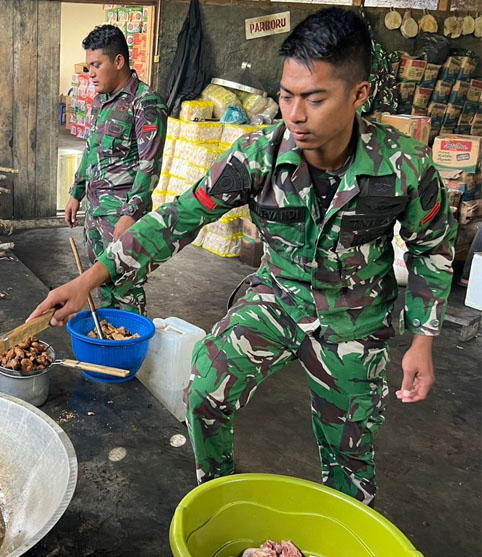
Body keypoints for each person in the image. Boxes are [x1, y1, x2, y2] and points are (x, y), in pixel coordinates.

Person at [32, 8, 456, 507]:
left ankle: (341, 526)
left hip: (355, 320)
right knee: (205, 389)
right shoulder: (258, 155)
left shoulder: (406, 167)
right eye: (286, 96)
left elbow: (432, 248)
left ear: (359, 95)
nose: (295, 115)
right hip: (276, 299)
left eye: (314, 99)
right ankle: (219, 497)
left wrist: (423, 340)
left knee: (350, 455)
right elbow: (178, 218)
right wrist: (91, 280)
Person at [64, 24, 167, 316]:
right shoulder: (100, 102)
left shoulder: (145, 103)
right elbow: (90, 150)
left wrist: (130, 214)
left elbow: (150, 165)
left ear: (119, 61)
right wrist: (76, 193)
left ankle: (127, 351)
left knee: (125, 287)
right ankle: (106, 349)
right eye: (88, 66)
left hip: (121, 216)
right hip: (95, 214)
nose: (91, 74)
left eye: (97, 65)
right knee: (101, 285)